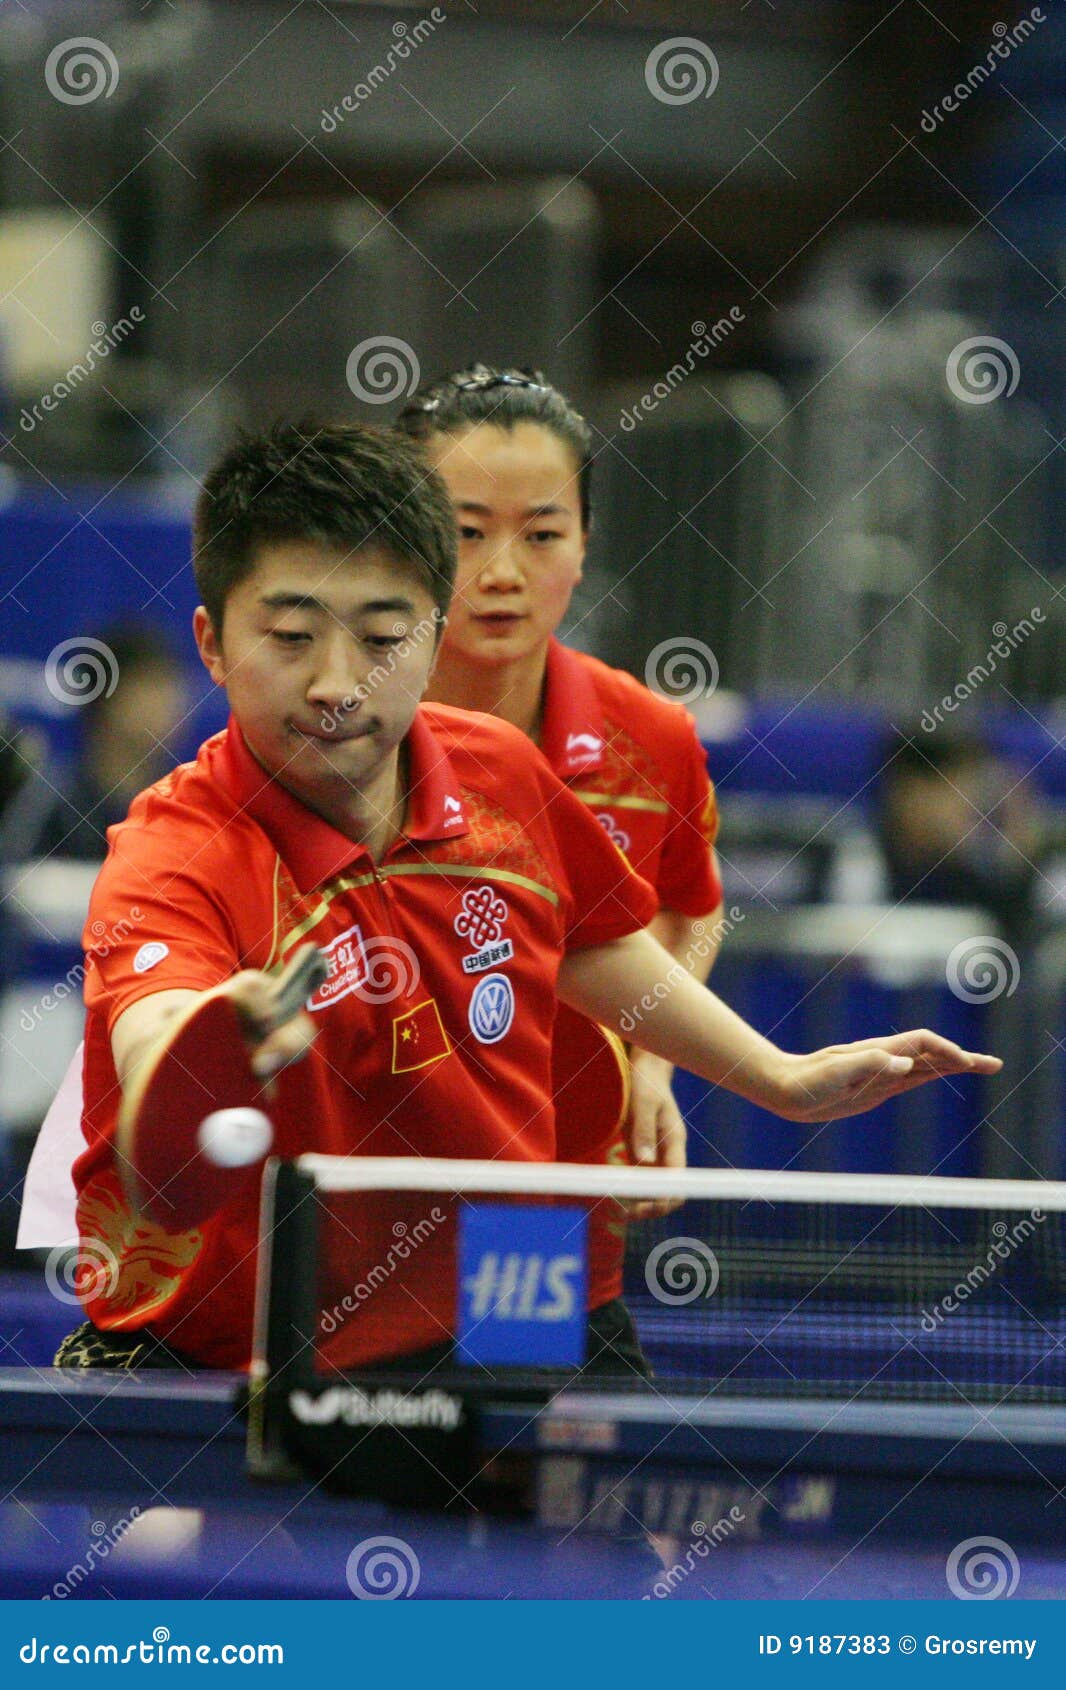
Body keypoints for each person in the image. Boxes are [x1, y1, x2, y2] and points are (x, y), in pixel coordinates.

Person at [57, 421, 999, 1373]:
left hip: (503, 1305)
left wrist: (777, 1078)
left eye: (382, 637)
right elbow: (157, 1036)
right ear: (214, 645)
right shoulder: (175, 856)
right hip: (247, 1355)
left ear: (432, 638)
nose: (338, 683)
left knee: (617, 1511)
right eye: (292, 637)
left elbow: (589, 942)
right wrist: (205, 1046)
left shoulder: (500, 770)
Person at [396, 364, 723, 1309]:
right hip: (352, 1191)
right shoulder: (339, 727)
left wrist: (650, 1059)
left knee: (547, 1439)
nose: (503, 572)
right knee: (342, 1442)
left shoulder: (650, 740)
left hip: (539, 1210)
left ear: (583, 546)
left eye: (542, 534)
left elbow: (691, 911)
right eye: (464, 534)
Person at [34, 624, 187, 863]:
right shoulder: (50, 810)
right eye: (151, 685)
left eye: (171, 685)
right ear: (109, 700)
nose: (169, 702)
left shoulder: (186, 812)